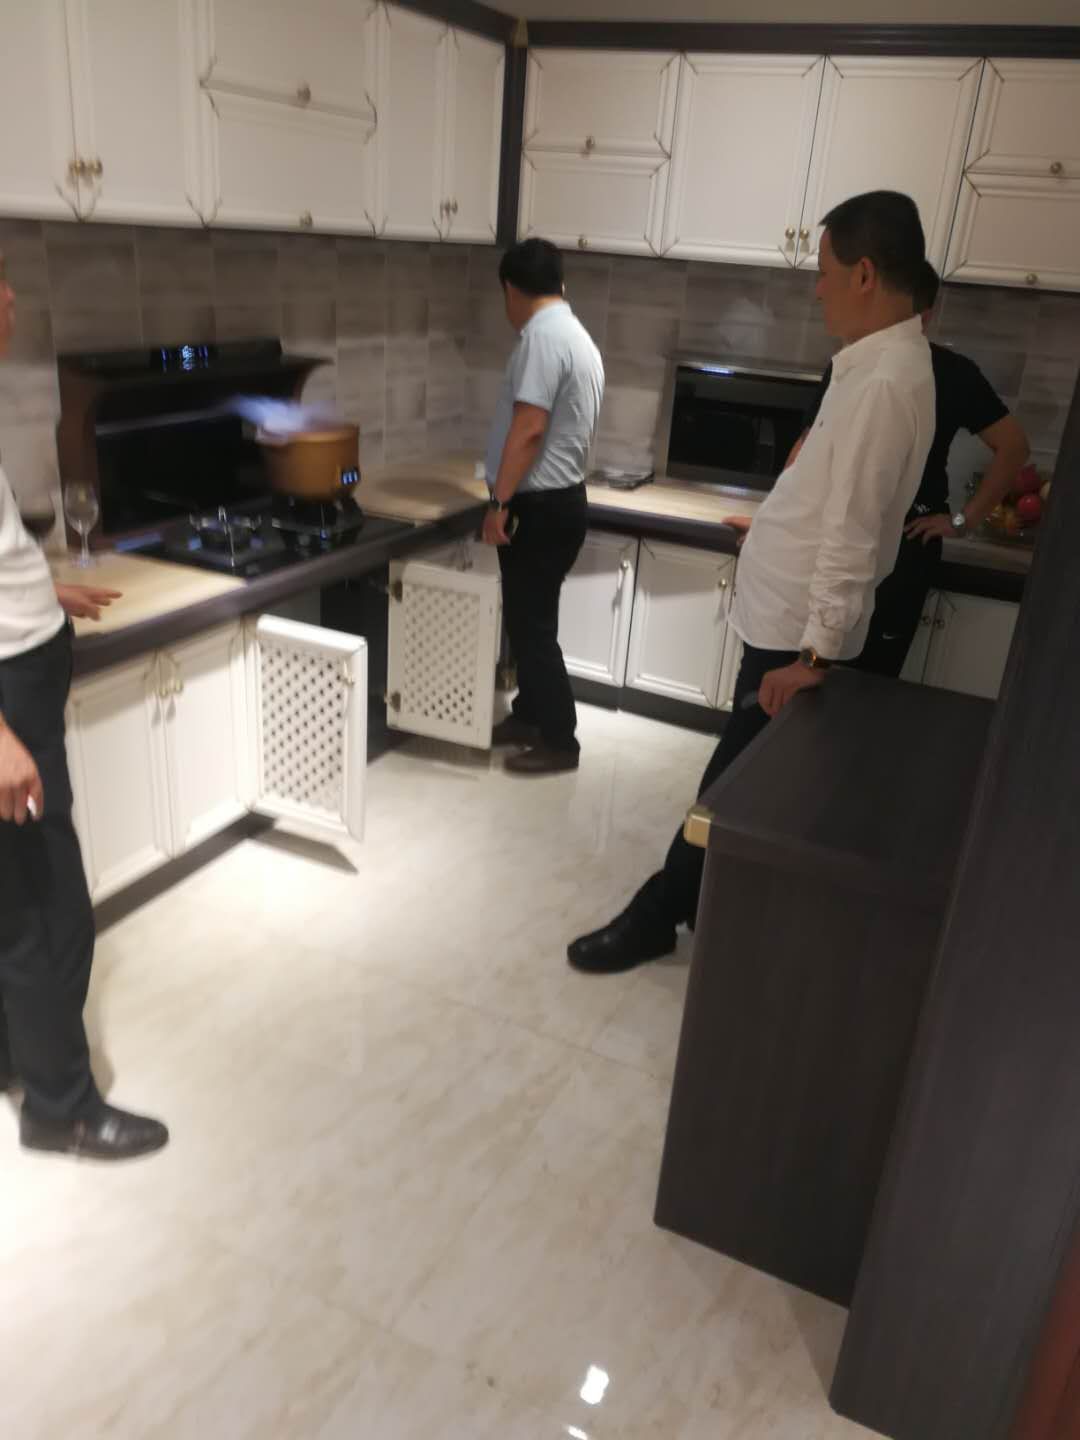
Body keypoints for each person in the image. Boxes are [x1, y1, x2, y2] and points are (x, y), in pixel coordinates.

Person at [568, 191, 936, 974]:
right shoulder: (879, 368)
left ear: (865, 274)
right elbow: (828, 498)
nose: (817, 289)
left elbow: (852, 531)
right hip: (787, 630)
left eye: (826, 272)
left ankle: (658, 915)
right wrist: (771, 525)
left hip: (794, 643)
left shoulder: (883, 383)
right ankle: (711, 915)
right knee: (749, 793)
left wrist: (814, 656)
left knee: (726, 792)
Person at [0, 248, 168, 1160]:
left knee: (21, 894)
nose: (10, 295)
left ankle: (20, 1061)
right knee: (44, 905)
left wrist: (38, 587)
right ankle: (61, 1108)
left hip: (22, 668)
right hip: (6, 700)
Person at [788, 259, 1030, 677]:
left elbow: (1014, 447)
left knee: (865, 678)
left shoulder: (951, 373)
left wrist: (962, 520)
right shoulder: (850, 363)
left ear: (926, 314)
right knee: (811, 665)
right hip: (837, 537)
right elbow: (806, 447)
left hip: (905, 547)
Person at [481, 238, 605, 776]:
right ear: (561, 284)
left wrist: (499, 502)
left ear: (511, 289)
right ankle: (530, 715)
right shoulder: (576, 335)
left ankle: (560, 740)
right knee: (532, 618)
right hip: (563, 503)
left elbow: (529, 428)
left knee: (532, 629)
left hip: (540, 506)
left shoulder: (542, 338)